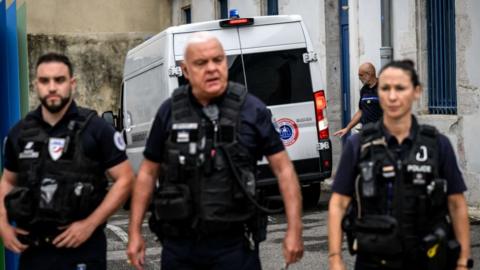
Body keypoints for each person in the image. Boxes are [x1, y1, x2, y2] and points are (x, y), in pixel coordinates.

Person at [127, 32, 304, 270]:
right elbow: (148, 173)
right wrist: (135, 232)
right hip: (180, 247)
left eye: (218, 60)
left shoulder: (252, 110)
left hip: (233, 246)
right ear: (186, 71)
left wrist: (294, 229)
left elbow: (284, 170)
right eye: (201, 63)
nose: (212, 68)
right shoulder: (168, 112)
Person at [328, 60, 472, 270]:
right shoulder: (357, 145)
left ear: (416, 91)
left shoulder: (437, 145)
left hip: (427, 258)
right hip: (373, 259)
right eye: (386, 88)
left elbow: (457, 205)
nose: (392, 96)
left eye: (400, 88)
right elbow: (338, 203)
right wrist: (335, 258)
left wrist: (463, 260)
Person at [0, 52, 134, 270]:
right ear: (36, 84)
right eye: (45, 81)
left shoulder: (96, 128)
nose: (52, 87)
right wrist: (2, 224)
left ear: (72, 83)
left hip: (83, 251)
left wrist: (90, 224)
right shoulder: (20, 133)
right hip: (35, 253)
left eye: (59, 80)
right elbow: (7, 181)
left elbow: (125, 179)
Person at [333, 62, 383, 137]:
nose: (359, 78)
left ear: (369, 74)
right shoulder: (363, 90)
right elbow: (361, 111)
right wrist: (347, 128)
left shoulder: (384, 88)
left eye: (361, 75)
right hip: (366, 133)